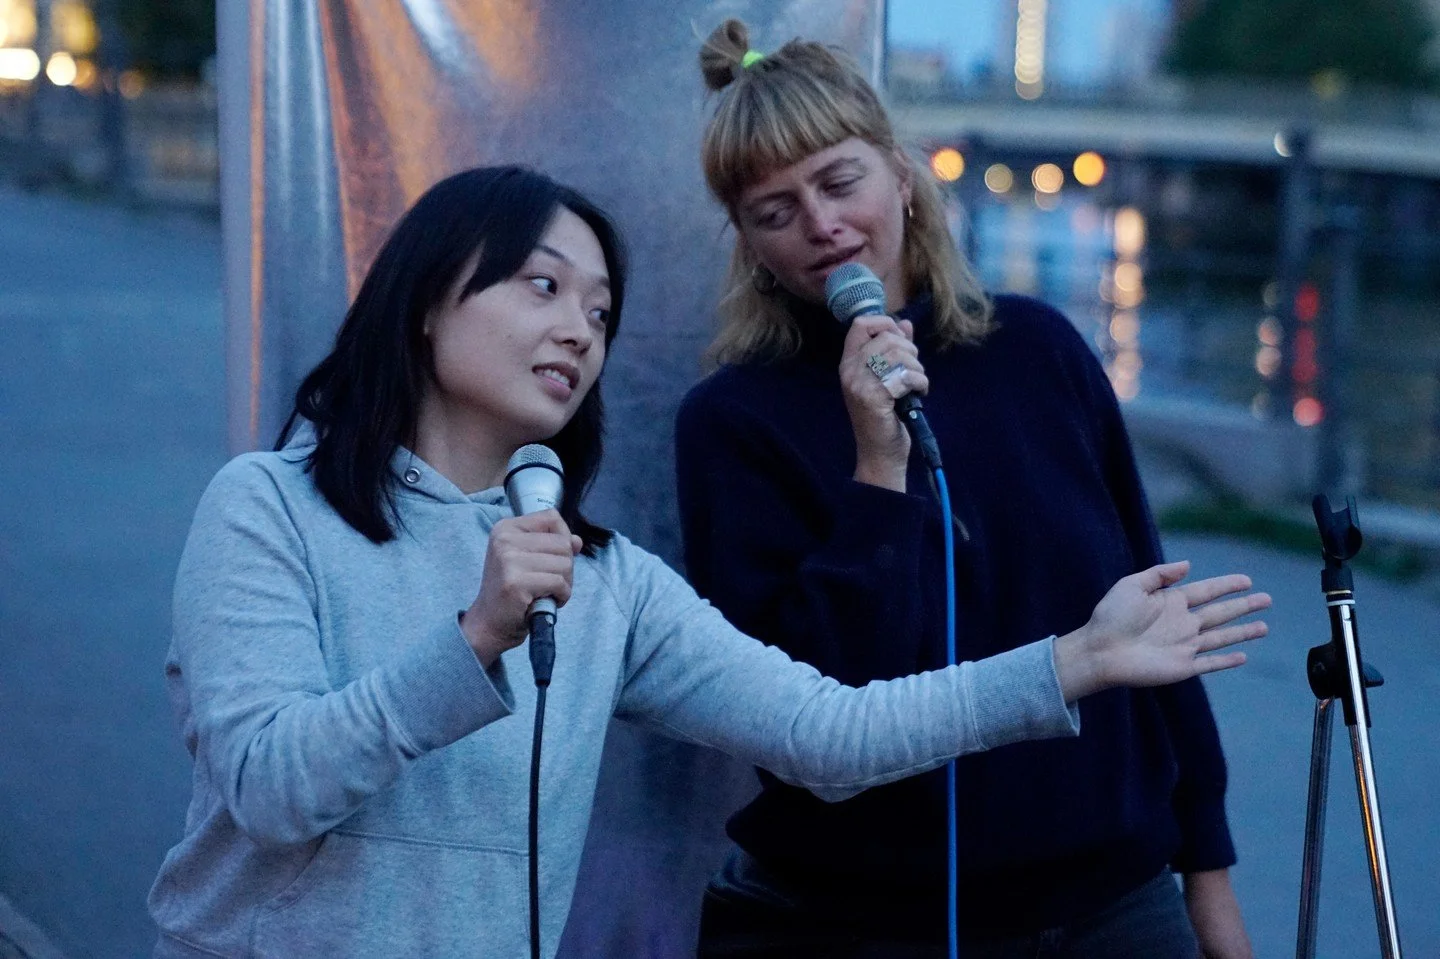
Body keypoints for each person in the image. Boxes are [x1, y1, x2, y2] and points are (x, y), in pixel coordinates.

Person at [146, 165, 1266, 959]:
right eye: (542, 287)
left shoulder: (609, 578)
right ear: (429, 298)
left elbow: (832, 731)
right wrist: (473, 639)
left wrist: (1072, 659)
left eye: (600, 310)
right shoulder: (269, 507)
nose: (582, 330)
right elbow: (270, 785)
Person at [677, 20, 1259, 959]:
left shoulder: (1039, 351)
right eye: (773, 210)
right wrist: (877, 467)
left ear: (900, 176)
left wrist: (1210, 876)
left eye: (837, 181)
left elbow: (1150, 616)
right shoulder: (732, 423)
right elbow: (810, 713)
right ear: (748, 245)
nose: (821, 224)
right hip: (871, 921)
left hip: (1117, 898)